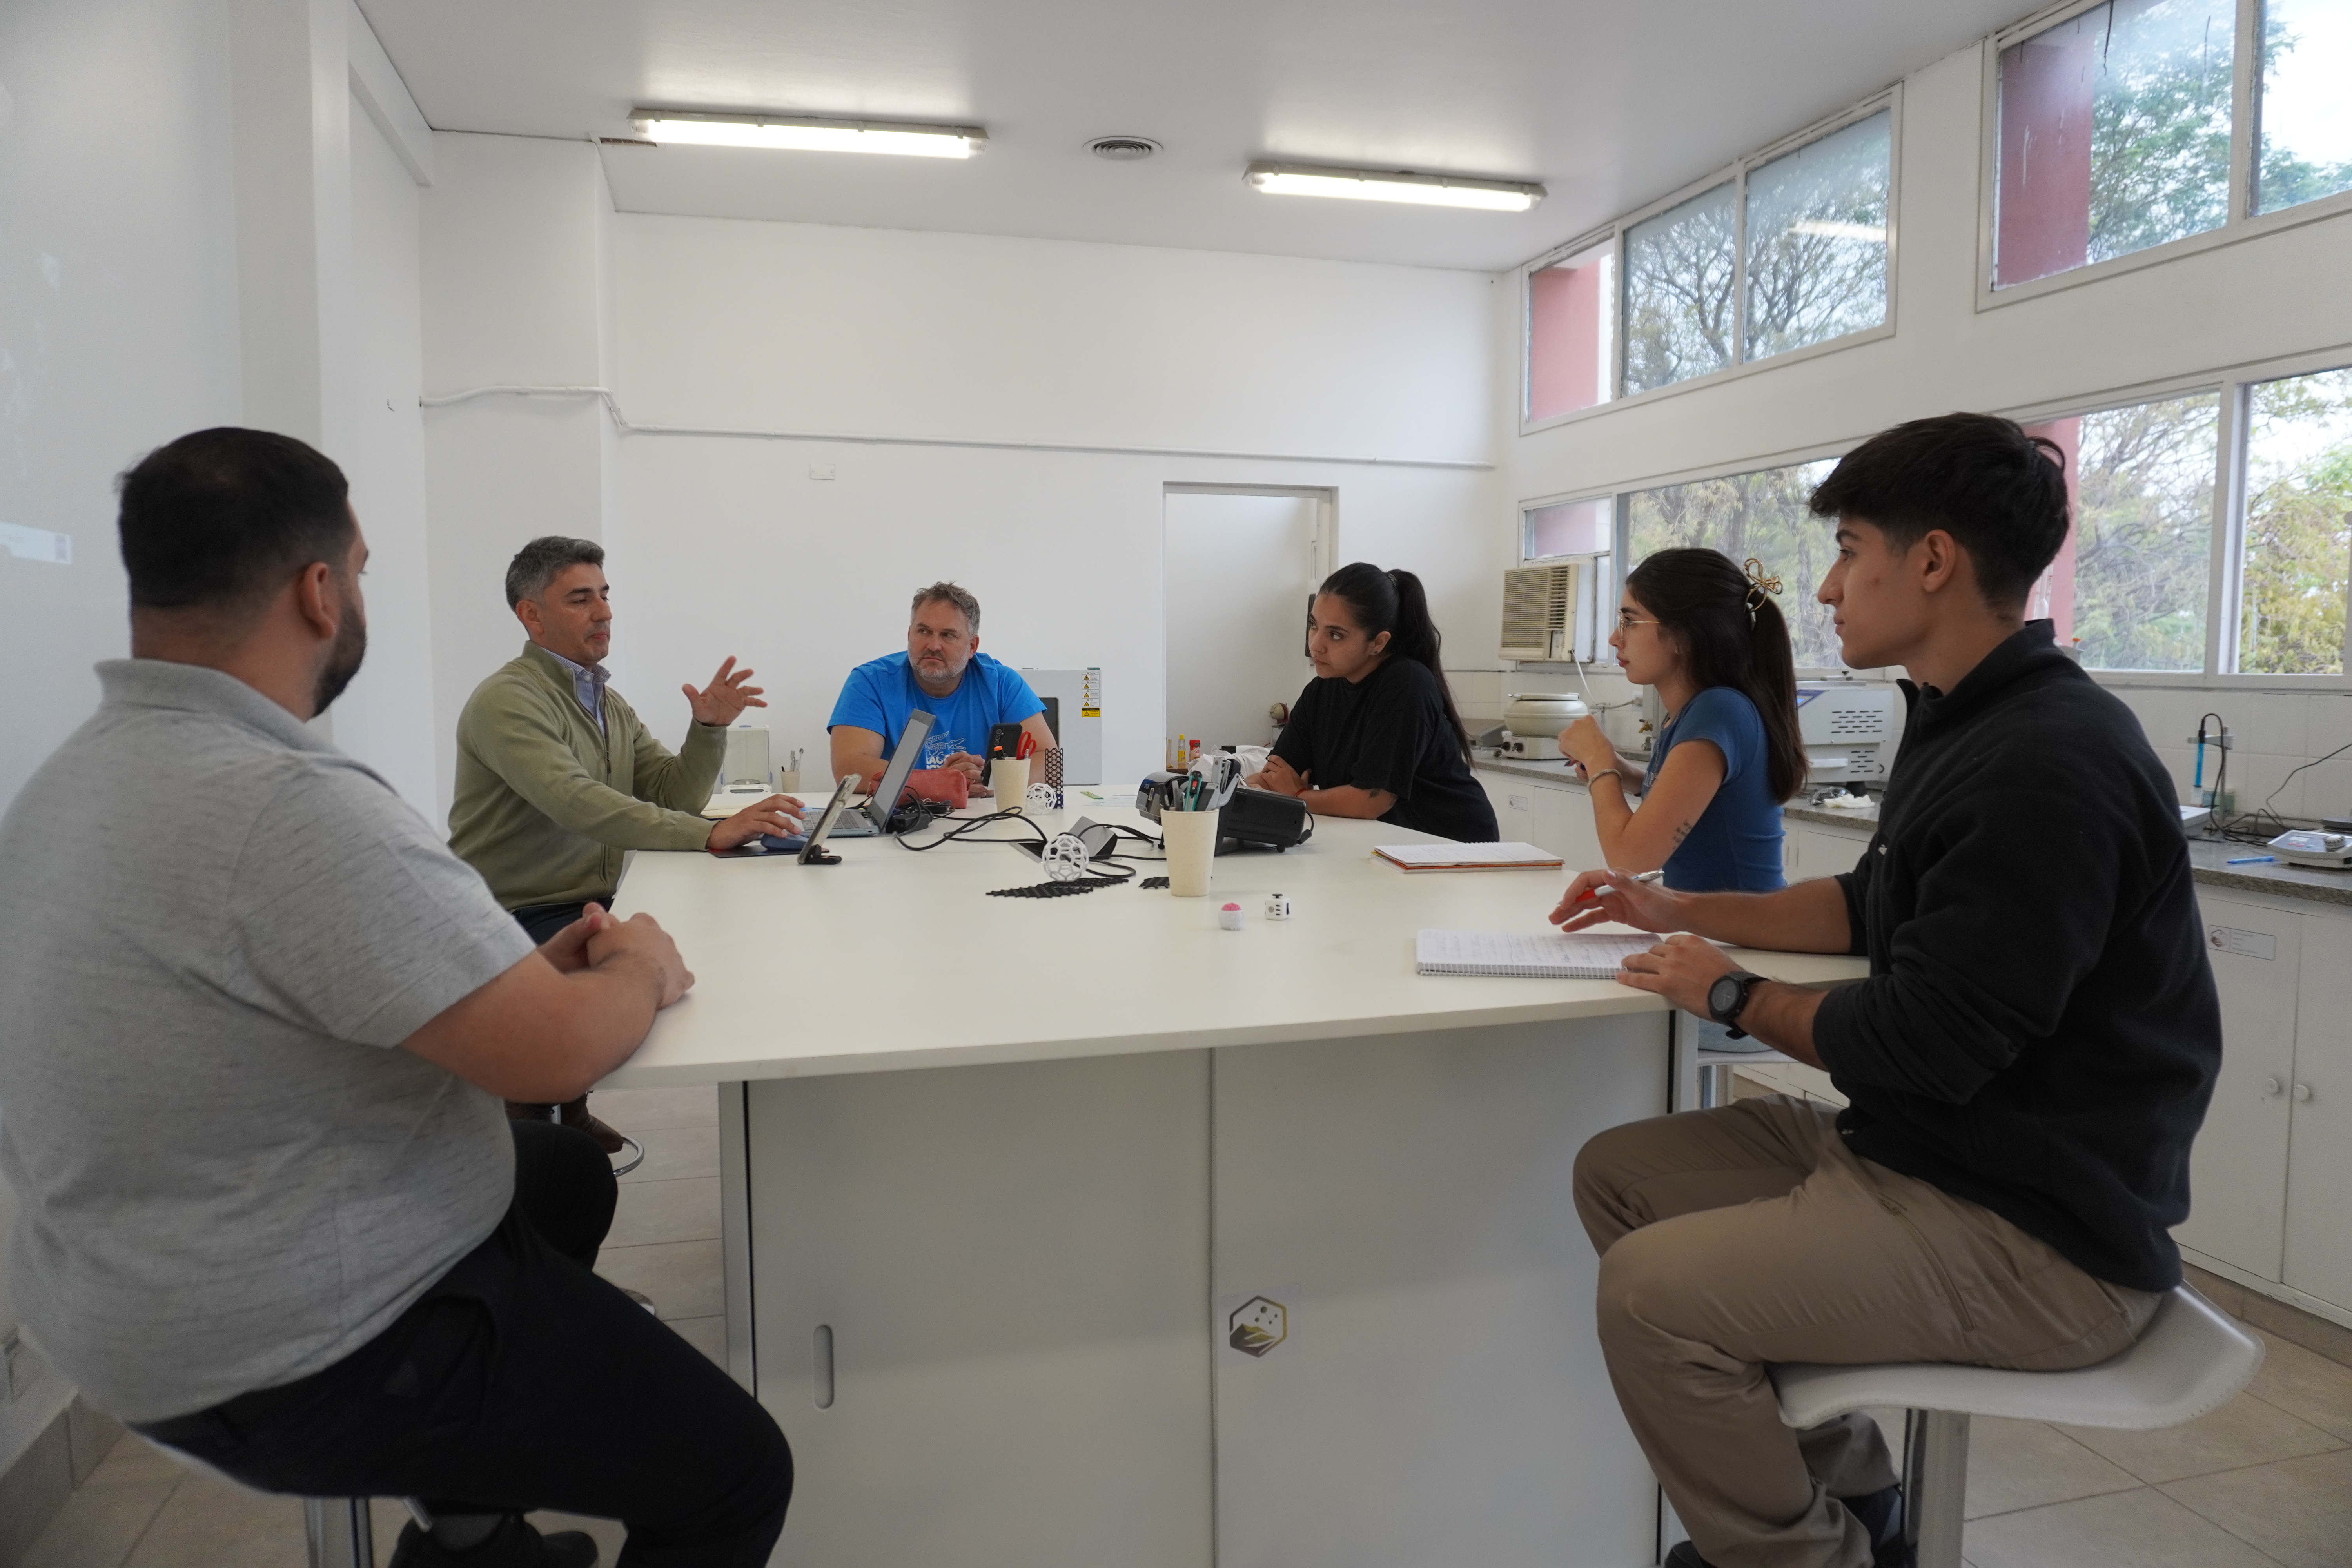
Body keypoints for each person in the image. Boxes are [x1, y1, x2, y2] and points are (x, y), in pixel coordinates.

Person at [0, 429, 792, 1568]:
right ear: (320, 591)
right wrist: (637, 965)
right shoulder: (287, 799)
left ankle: (472, 1515)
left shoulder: (68, 781)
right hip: (287, 1342)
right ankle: (469, 1445)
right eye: (363, 568)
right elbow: (556, 1059)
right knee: (735, 1474)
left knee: (561, 1174)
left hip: (123, 1297)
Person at [1551, 413, 2220, 1568]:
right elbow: (1865, 907)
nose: (1823, 586)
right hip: (1931, 1156)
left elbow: (1922, 1042)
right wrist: (1677, 910)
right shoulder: (1961, 717)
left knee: (1650, 1297)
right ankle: (1858, 1501)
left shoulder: (2043, 759)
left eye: (1848, 549)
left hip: (2037, 1236)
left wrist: (1729, 996)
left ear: (1930, 561)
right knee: (1618, 1174)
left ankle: (1804, 1557)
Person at [450, 535, 802, 1152]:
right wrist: (710, 834)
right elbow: (576, 801)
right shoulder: (507, 700)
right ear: (531, 615)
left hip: (583, 899)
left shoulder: (605, 701)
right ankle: (528, 1128)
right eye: (581, 599)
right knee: (651, 962)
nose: (604, 612)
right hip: (514, 912)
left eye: (605, 596)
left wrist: (709, 728)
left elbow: (672, 793)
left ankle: (566, 1108)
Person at [1557, 548, 1806, 892]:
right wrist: (1623, 772)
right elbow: (1694, 801)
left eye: (1630, 621)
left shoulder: (1719, 711)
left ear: (1683, 636)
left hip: (1742, 937)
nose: (1616, 638)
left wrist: (1601, 761)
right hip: (1711, 929)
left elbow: (1629, 861)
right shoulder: (1696, 710)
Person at [1247, 563, 1498, 842]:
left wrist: (1298, 795)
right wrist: (1284, 789)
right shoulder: (1321, 690)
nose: (1316, 645)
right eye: (1314, 626)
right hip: (1383, 843)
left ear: (1378, 643)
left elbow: (1370, 802)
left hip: (1452, 846)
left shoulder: (1406, 683)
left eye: (1336, 635)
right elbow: (1272, 777)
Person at [828, 581, 1055, 791]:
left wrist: (988, 779)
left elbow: (1049, 760)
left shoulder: (1001, 683)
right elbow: (850, 768)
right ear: (910, 635)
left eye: (948, 635)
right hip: (900, 821)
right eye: (924, 631)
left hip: (983, 818)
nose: (934, 645)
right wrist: (938, 782)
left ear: (972, 647)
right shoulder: (870, 681)